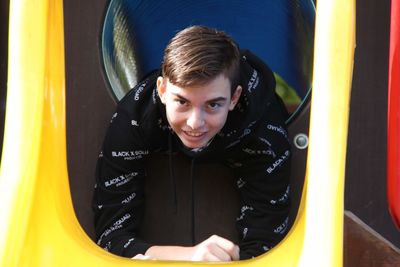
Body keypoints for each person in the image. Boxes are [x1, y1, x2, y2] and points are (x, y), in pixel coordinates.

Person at [92, 25, 291, 261]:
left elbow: (267, 243)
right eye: (182, 102)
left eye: (213, 104)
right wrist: (189, 256)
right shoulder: (135, 117)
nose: (195, 123)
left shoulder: (264, 128)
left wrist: (230, 257)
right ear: (162, 90)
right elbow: (110, 235)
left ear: (234, 98)